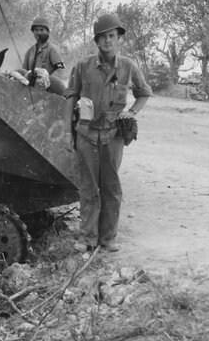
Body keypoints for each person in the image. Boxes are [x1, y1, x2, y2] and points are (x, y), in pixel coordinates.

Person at [63, 14, 151, 252]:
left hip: (113, 136)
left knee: (111, 188)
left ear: (118, 38)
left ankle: (108, 239)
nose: (107, 41)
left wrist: (131, 112)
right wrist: (66, 132)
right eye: (103, 37)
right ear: (96, 40)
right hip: (85, 134)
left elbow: (144, 93)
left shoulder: (129, 66)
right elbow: (71, 97)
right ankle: (88, 238)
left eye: (112, 36)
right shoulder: (82, 66)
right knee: (88, 188)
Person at [19, 17, 68, 94]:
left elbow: (61, 70)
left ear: (48, 31)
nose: (38, 33)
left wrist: (47, 79)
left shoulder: (52, 49)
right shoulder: (30, 51)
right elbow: (24, 72)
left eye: (41, 30)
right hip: (31, 91)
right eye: (36, 30)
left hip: (48, 92)